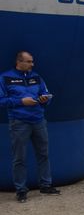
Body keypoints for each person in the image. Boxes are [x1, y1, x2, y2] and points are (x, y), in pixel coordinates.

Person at [0, 51, 60, 202]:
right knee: (19, 157)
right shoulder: (5, 78)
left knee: (43, 154)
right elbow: (1, 100)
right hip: (19, 122)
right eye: (29, 61)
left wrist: (44, 99)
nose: (32, 64)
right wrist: (21, 102)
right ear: (19, 62)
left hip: (38, 120)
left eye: (32, 62)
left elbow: (45, 93)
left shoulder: (36, 77)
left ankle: (46, 185)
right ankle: (21, 190)